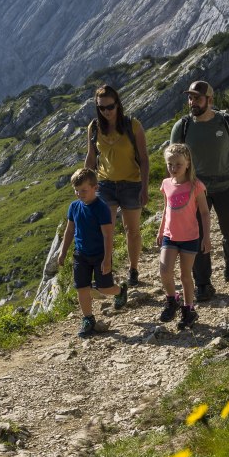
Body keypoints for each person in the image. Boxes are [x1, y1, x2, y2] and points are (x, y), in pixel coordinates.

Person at [169, 80, 229, 300]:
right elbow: (173, 161)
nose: (192, 102)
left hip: (227, 184)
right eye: (190, 98)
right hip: (195, 190)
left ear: (210, 99)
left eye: (197, 98)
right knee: (195, 237)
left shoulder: (226, 122)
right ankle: (203, 284)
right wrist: (174, 191)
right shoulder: (183, 126)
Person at [83, 83, 148, 301]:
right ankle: (105, 272)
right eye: (101, 107)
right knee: (105, 230)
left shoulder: (133, 125)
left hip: (131, 184)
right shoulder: (94, 128)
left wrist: (145, 187)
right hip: (105, 186)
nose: (106, 111)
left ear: (118, 105)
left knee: (132, 230)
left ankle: (133, 269)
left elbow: (145, 159)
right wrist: (84, 184)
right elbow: (91, 158)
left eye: (110, 106)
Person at [60, 168, 120, 338]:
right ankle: (88, 319)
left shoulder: (101, 208)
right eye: (76, 190)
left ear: (95, 187)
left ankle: (120, 291)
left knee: (104, 288)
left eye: (84, 190)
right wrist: (63, 252)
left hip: (100, 254)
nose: (79, 194)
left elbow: (108, 235)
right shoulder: (74, 207)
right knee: (82, 288)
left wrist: (107, 260)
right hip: (81, 254)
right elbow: (69, 231)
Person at [157, 143, 210, 330]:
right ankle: (172, 300)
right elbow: (166, 209)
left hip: (189, 237)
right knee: (164, 271)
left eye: (178, 164)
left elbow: (204, 212)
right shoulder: (166, 184)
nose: (173, 168)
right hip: (170, 236)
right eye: (170, 164)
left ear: (188, 163)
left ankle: (189, 309)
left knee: (185, 275)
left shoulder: (196, 186)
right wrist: (160, 230)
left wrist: (206, 237)